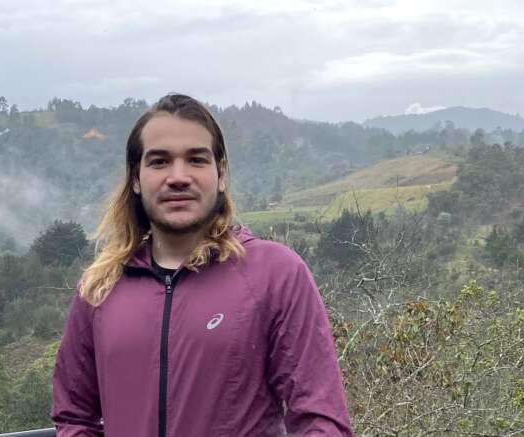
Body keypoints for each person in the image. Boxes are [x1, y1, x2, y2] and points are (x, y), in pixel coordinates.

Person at [52, 93, 352, 436]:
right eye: (160, 161)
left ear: (220, 173)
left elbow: (321, 419)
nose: (178, 176)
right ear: (136, 178)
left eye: (196, 159)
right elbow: (74, 416)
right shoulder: (99, 288)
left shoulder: (275, 274)